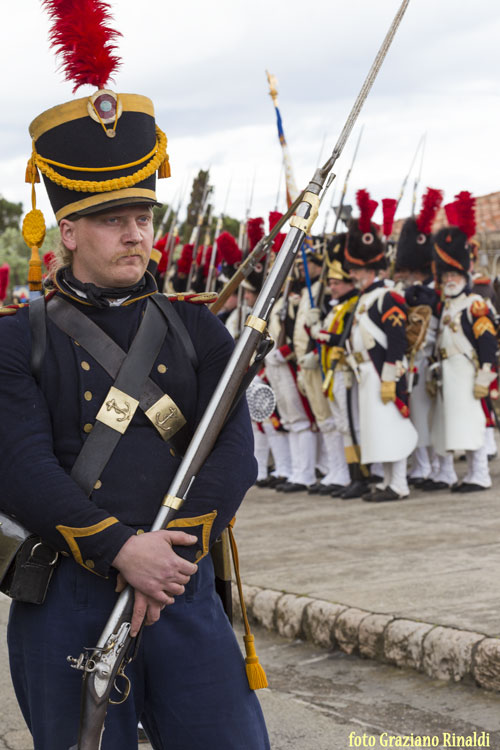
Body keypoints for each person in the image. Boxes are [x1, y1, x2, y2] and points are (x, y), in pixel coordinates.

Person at [0, 6, 269, 749]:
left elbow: (234, 454)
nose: (135, 232)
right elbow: (19, 469)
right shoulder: (17, 338)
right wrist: (122, 549)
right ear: (68, 229)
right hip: (67, 596)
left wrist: (167, 556)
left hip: (180, 589)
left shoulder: (199, 328)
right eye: (113, 216)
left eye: (143, 212)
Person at [344, 190, 418, 502]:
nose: (353, 274)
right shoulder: (366, 297)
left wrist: (390, 375)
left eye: (357, 270)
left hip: (382, 372)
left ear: (369, 268)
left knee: (391, 426)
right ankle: (388, 481)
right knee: (378, 430)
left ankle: (399, 483)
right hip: (365, 372)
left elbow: (398, 339)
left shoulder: (388, 296)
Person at [429, 192, 498, 492]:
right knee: (455, 425)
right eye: (446, 276)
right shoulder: (447, 306)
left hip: (471, 374)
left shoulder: (475, 305)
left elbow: (487, 344)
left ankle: (479, 473)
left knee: (476, 423)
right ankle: (463, 473)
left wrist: (486, 376)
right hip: (450, 374)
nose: (449, 280)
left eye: (455, 274)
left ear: (465, 274)